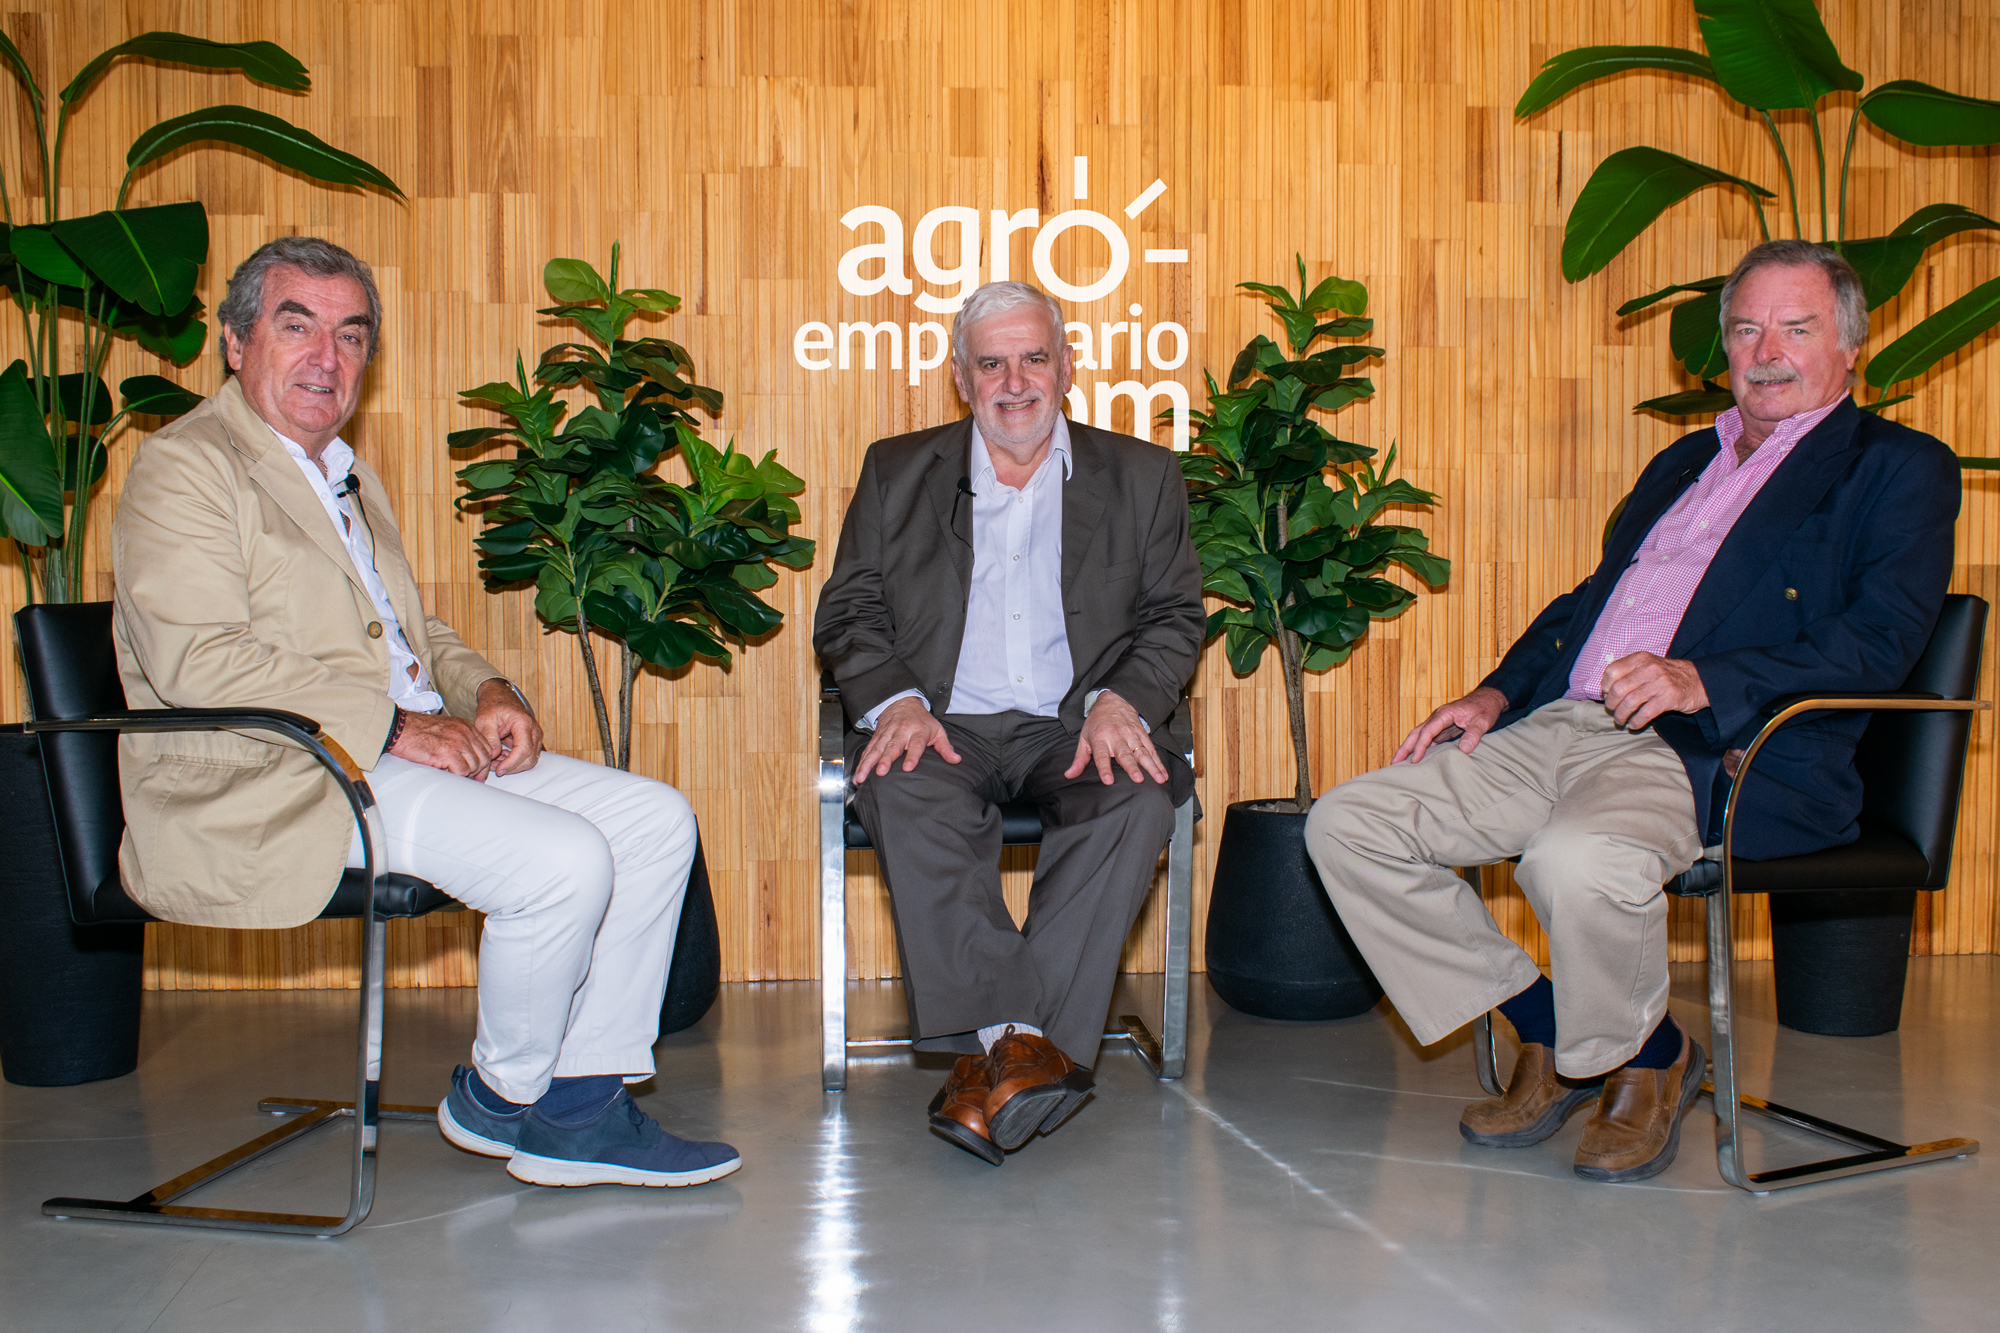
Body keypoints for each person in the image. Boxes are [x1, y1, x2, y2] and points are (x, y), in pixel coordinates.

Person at [1305, 239, 1960, 1184]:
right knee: (1350, 824)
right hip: (1566, 721)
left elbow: (1884, 638)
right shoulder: (1685, 459)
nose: (1765, 349)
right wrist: (1495, 692)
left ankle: (1644, 1062)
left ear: (1851, 345)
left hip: (1716, 744)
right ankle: (1561, 1030)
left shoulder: (1894, 467)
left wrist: (1708, 678)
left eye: (1797, 327)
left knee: (1574, 860)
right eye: (1745, 328)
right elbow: (1590, 603)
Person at [111, 236, 740, 1190]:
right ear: (236, 343)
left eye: (351, 335)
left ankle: (579, 1100)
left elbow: (406, 630)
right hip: (286, 772)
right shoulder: (188, 467)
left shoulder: (342, 475)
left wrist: (484, 689)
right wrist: (399, 726)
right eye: (298, 327)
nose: (328, 357)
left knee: (655, 820)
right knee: (562, 861)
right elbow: (200, 658)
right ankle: (500, 1097)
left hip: (388, 755)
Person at [813, 280, 1204, 1164]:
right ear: (961, 377)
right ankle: (1025, 1049)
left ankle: (996, 1056)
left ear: (1067, 367)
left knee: (1137, 792)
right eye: (992, 362)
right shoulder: (895, 469)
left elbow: (1176, 615)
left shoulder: (1143, 476)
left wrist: (1123, 700)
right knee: (897, 780)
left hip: (1079, 721)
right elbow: (848, 613)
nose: (1015, 380)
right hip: (943, 723)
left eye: (1034, 358)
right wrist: (898, 701)